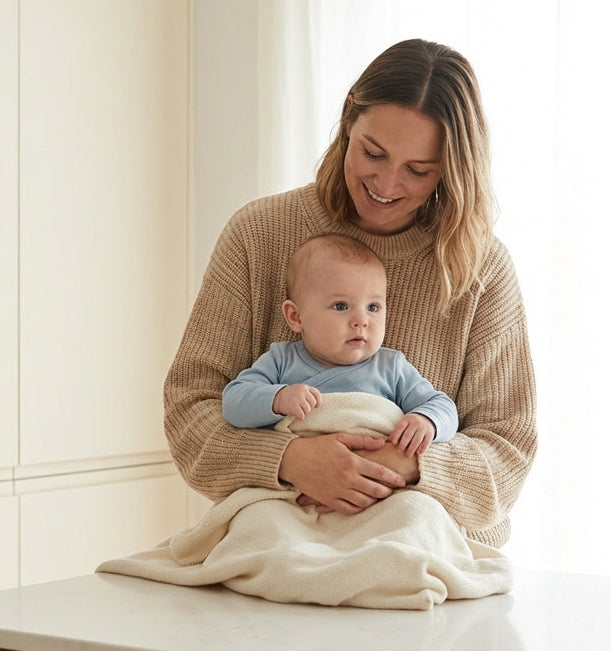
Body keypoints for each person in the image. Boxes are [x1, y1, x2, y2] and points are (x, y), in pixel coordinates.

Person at [164, 38, 537, 548]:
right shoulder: (259, 234)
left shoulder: (481, 269)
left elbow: (508, 447)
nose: (386, 183)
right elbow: (191, 408)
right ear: (347, 119)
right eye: (373, 153)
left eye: (418, 170)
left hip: (432, 557)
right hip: (285, 548)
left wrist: (403, 467)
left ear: (451, 168)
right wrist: (290, 460)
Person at [222, 233, 458, 458]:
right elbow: (233, 402)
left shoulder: (391, 367)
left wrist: (426, 420)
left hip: (378, 479)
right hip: (299, 482)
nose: (361, 321)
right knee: (258, 503)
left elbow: (442, 406)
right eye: (341, 306)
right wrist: (278, 398)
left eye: (373, 307)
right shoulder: (282, 360)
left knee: (417, 504)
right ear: (296, 317)